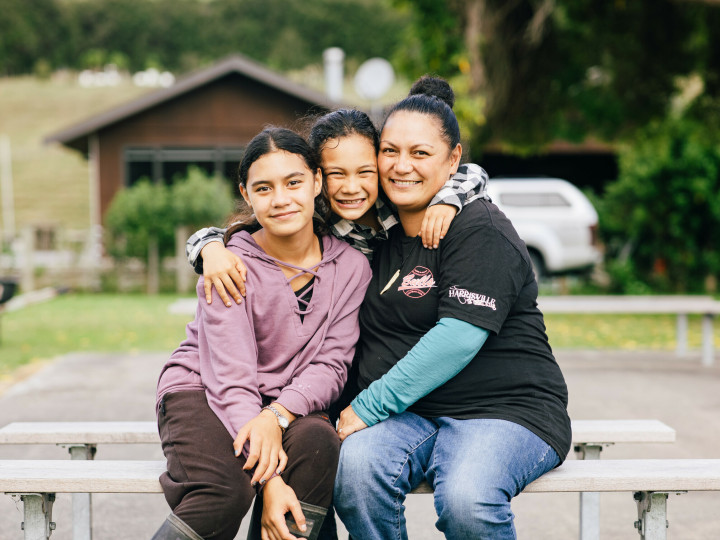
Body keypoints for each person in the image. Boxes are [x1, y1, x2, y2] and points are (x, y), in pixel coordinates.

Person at [332, 76, 572, 540]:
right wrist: (214, 247)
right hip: (411, 416)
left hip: (506, 411)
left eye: (420, 153)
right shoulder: (370, 228)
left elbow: (458, 336)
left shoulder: (480, 228)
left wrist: (367, 406)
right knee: (355, 475)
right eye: (389, 151)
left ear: (454, 160)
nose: (401, 166)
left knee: (467, 500)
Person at [152, 127, 371, 540]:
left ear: (317, 183)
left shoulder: (351, 268)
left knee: (320, 444)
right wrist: (269, 482)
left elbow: (332, 364)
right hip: (202, 390)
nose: (282, 199)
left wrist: (276, 414)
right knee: (226, 488)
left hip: (284, 403)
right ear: (246, 194)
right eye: (264, 188)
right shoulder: (228, 266)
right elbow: (231, 378)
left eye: (294, 182)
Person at [184, 108, 490, 307]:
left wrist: (447, 199)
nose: (352, 187)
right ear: (317, 178)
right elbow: (219, 233)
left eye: (365, 172)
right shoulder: (311, 215)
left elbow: (471, 172)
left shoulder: (397, 198)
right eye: (336, 174)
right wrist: (211, 251)